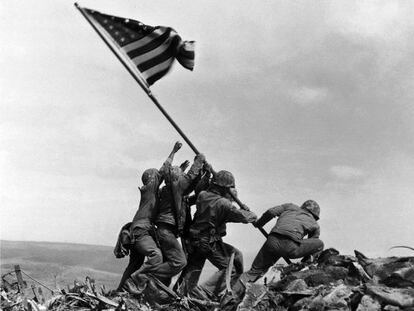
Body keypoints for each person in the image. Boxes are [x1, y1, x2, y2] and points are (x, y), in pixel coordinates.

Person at [177, 170, 257, 299]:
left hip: (194, 239)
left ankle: (182, 293)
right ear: (226, 188)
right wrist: (248, 212)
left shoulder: (202, 195)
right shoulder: (223, 204)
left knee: (233, 256)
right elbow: (246, 217)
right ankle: (204, 292)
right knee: (231, 269)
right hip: (208, 241)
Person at [121, 141, 183, 293]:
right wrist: (173, 152)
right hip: (141, 230)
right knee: (156, 256)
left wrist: (180, 170)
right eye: (156, 177)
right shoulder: (149, 189)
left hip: (140, 230)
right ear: (152, 178)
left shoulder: (151, 191)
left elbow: (165, 176)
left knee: (135, 264)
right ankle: (136, 281)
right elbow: (163, 171)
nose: (159, 178)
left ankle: (120, 291)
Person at [232, 200, 324, 298]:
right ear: (315, 215)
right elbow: (311, 244)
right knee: (319, 244)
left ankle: (231, 295)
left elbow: (271, 212)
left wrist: (259, 223)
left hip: (272, 242)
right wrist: (304, 262)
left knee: (254, 272)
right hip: (291, 247)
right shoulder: (315, 224)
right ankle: (303, 267)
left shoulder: (290, 206)